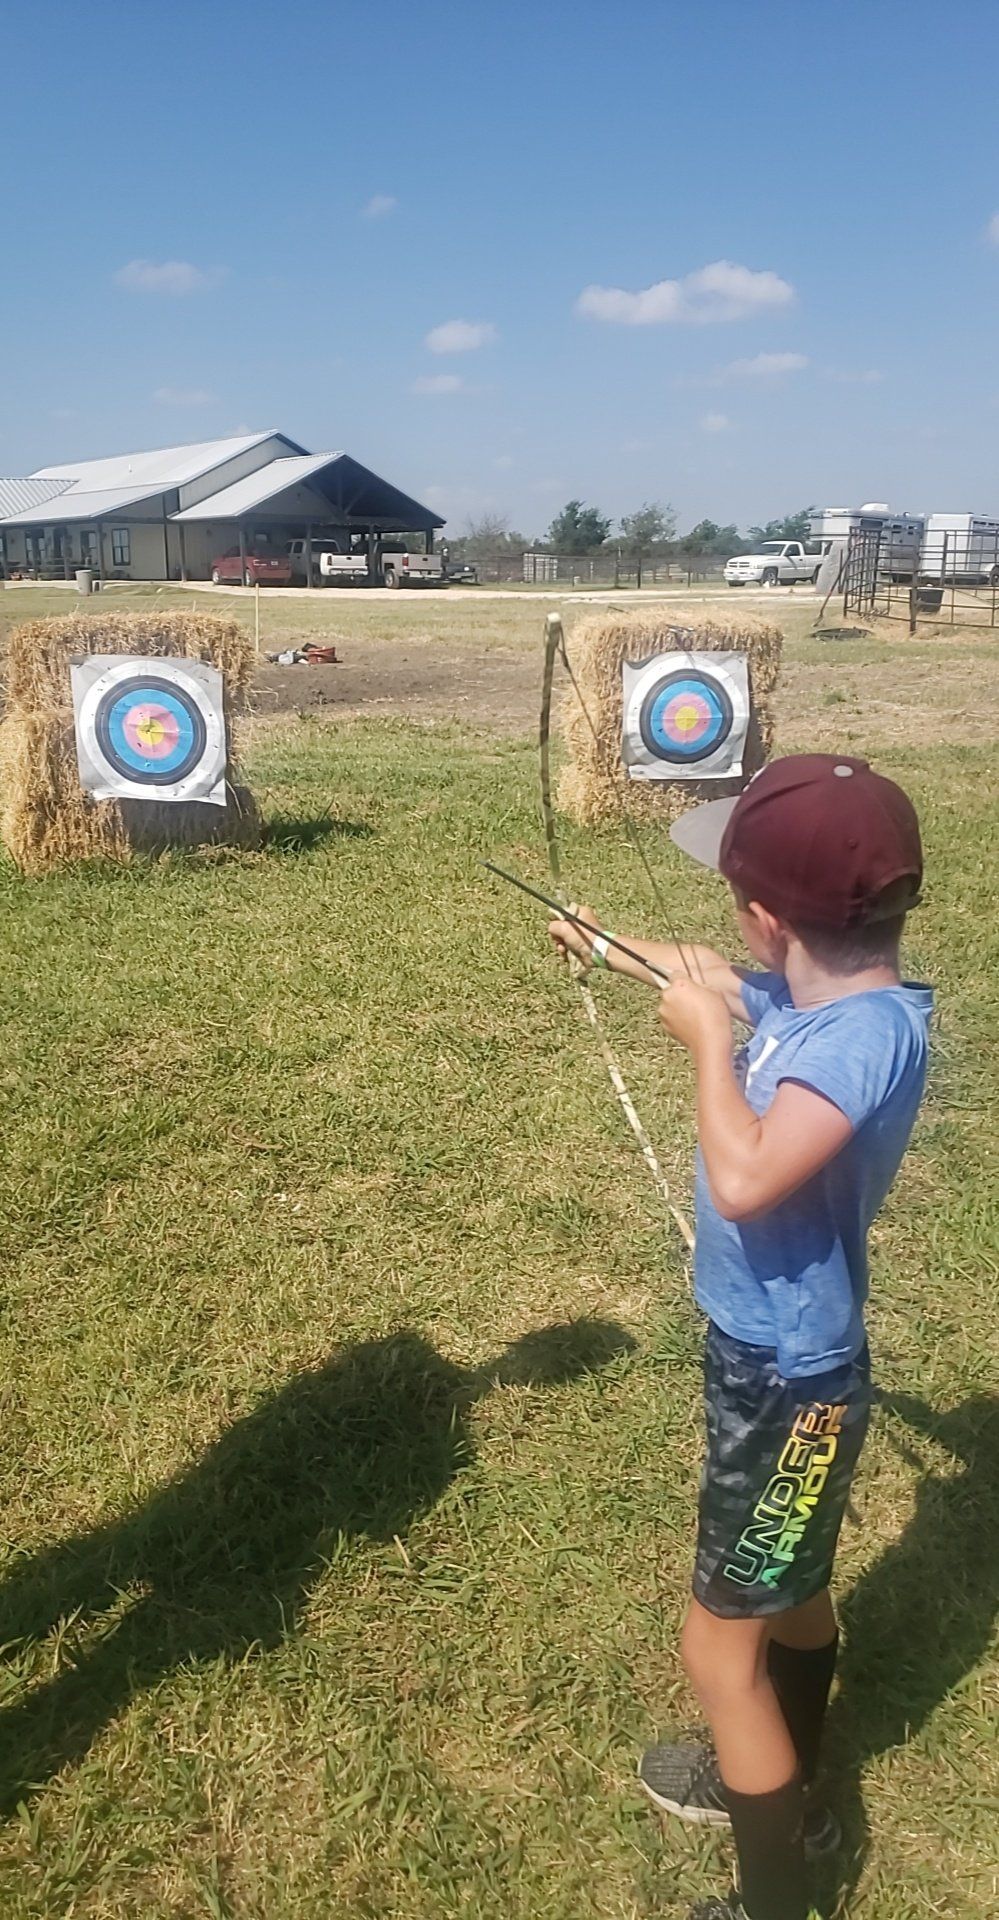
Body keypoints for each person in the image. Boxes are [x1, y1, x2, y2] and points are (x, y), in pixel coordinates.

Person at [547, 753, 933, 1920]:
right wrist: (607, 947)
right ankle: (793, 1791)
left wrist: (710, 1049)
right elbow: (706, 974)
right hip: (778, 1371)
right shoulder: (817, 999)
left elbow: (750, 1173)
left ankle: (777, 1897)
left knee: (720, 1654)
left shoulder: (861, 1042)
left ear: (768, 918)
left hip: (787, 1385)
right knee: (793, 1595)